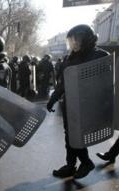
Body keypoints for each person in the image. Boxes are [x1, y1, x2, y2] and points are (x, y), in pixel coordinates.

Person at [47, 24, 109, 179]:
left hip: (88, 104)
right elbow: (64, 83)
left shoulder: (100, 55)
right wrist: (53, 98)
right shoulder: (70, 58)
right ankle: (70, 165)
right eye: (71, 41)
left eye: (76, 41)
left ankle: (86, 162)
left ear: (86, 40)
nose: (73, 44)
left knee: (78, 135)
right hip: (71, 103)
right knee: (70, 135)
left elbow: (107, 82)